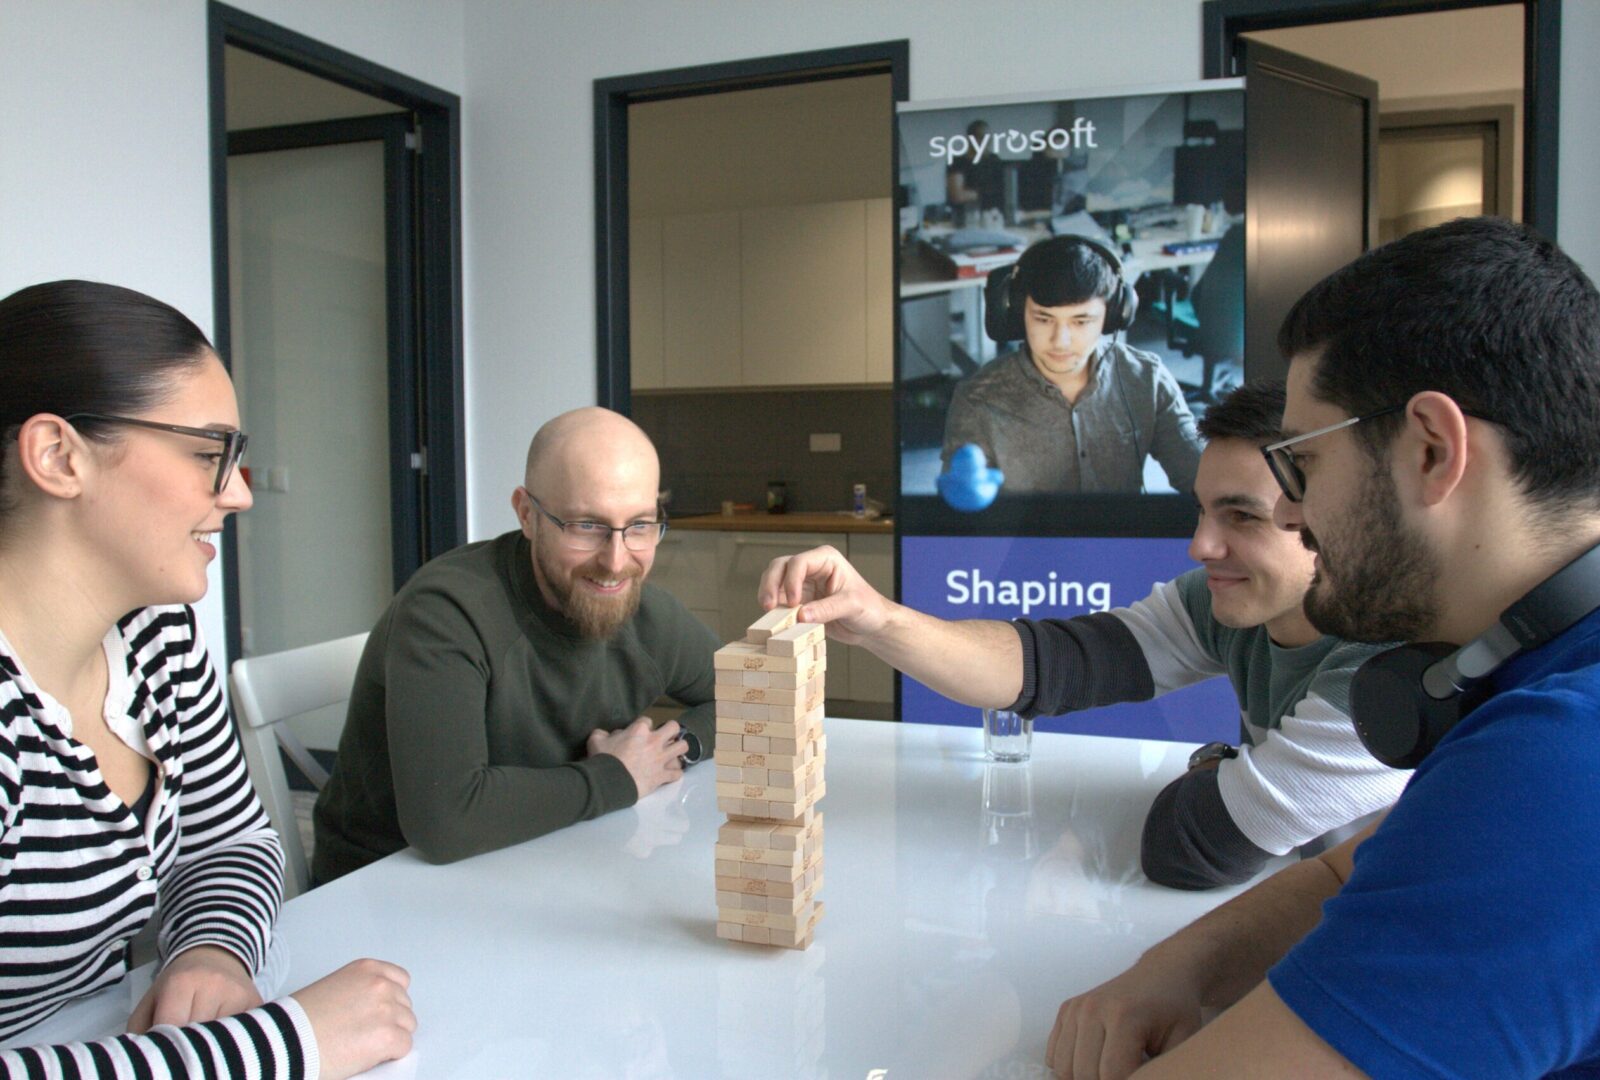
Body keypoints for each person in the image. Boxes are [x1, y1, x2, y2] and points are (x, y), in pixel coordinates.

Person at [1045, 216, 1600, 1078]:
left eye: (1304, 468)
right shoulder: (1556, 668)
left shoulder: (1562, 769)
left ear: (1432, 450)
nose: (1293, 515)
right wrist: (1186, 965)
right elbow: (1358, 865)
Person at [0, 280, 414, 1076]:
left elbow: (232, 839)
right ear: (58, 456)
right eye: (206, 453)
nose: (238, 491)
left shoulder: (151, 632)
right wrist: (280, 1047)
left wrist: (213, 952)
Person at [766, 380, 1405, 889]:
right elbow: (1055, 665)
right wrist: (880, 618)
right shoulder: (1229, 605)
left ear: (1325, 513)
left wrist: (1216, 767)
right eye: (1203, 511)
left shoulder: (1384, 675)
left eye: (1243, 517)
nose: (1201, 545)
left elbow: (1188, 847)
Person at [312, 407, 717, 883]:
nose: (616, 560)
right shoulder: (445, 613)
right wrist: (616, 777)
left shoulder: (646, 612)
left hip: (542, 857)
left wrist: (668, 750)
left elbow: (753, 696)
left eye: (640, 525)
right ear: (527, 515)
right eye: (586, 525)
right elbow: (445, 821)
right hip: (387, 887)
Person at [940, 235, 1203, 495]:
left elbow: (1202, 481)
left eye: (1081, 321)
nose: (1060, 341)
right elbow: (960, 520)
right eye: (1044, 319)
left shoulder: (1147, 378)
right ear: (1017, 312)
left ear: (1113, 315)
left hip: (1121, 537)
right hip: (1026, 539)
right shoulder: (977, 400)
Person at [946, 119, 1007, 221]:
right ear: (970, 139)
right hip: (967, 218)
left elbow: (1005, 192)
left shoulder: (995, 161)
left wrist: (977, 194)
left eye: (989, 138)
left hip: (994, 217)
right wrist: (986, 193)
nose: (986, 142)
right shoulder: (958, 162)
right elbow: (957, 195)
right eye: (982, 138)